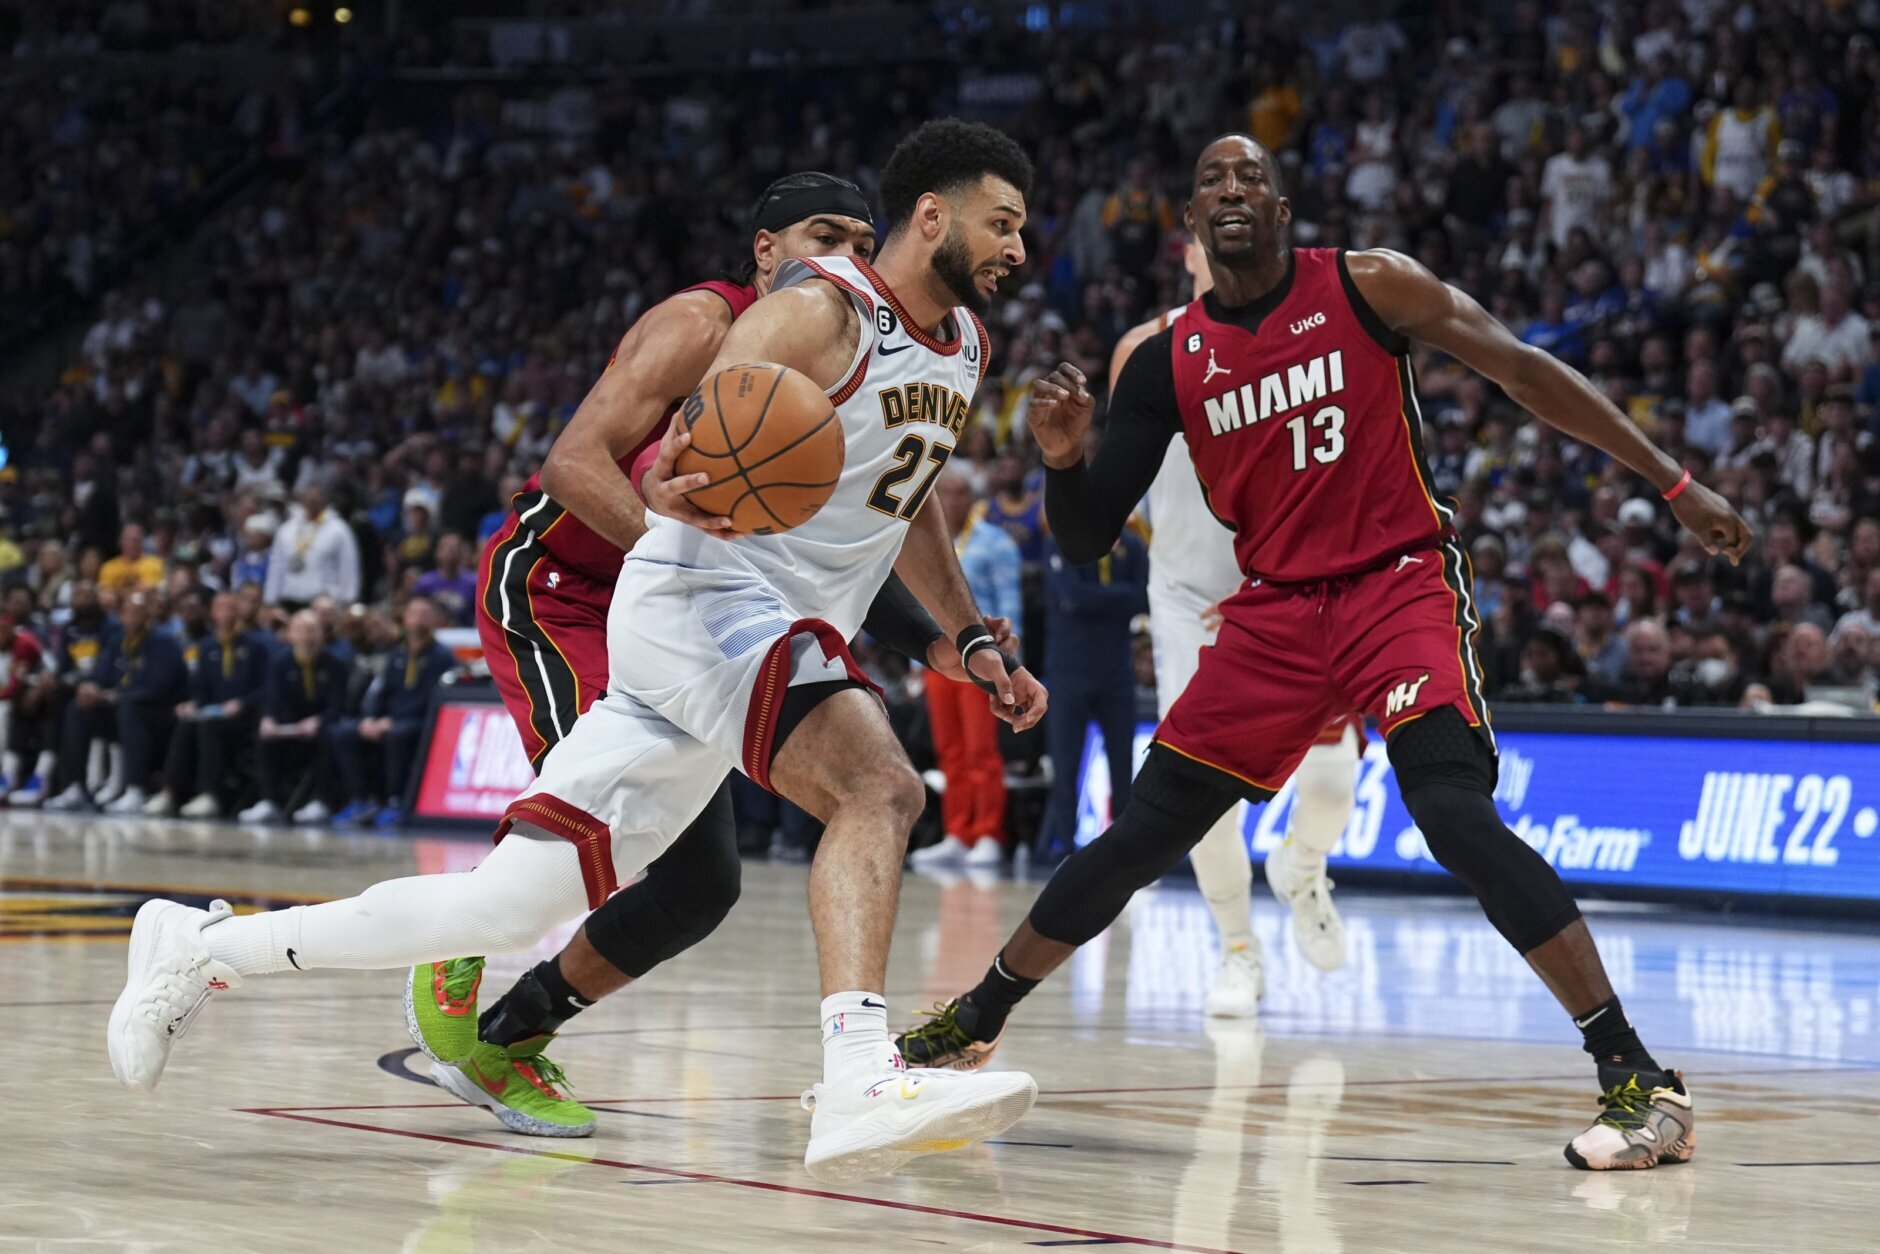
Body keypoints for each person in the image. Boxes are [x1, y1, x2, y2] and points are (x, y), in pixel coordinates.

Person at [109, 121, 1051, 1186]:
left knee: (504, 904)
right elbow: (707, 421)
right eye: (1001, 222)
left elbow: (910, 495)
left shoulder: (965, 348)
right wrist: (691, 462)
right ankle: (854, 1076)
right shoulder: (817, 308)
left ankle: (198, 949)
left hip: (733, 627)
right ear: (932, 215)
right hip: (701, 595)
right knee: (877, 784)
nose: (1019, 247)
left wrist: (966, 636)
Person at [895, 134, 1754, 1173]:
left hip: (1395, 584)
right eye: (1207, 179)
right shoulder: (1168, 361)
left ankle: (1638, 1077)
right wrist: (1063, 460)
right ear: (1192, 222)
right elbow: (1082, 536)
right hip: (1272, 617)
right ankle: (976, 1017)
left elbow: (1523, 372)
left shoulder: (1367, 286)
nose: (1228, 189)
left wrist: (1672, 483)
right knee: (1139, 836)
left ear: (1283, 205)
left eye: (1246, 175)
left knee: (1448, 812)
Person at [412, 172, 957, 1137]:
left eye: (864, 242)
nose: (849, 257)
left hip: (686, 604)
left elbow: (850, 553)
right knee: (602, 826)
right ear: (764, 250)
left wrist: (952, 641)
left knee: (704, 885)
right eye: (825, 235)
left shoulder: (849, 357)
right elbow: (573, 464)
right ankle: (455, 932)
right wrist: (681, 558)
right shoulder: (702, 325)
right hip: (564, 591)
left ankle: (511, 1034)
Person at [1108, 236, 1356, 1017]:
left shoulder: (1305, 336)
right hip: (1187, 595)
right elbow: (1125, 483)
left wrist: (1274, 573)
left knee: (1331, 780)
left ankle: (1304, 866)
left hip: (1285, 582)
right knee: (1199, 789)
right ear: (1185, 246)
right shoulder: (1145, 347)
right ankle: (1238, 951)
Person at [911, 471, 1023, 869]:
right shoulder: (925, 543)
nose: (953, 501)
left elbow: (1012, 607)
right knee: (950, 750)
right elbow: (918, 606)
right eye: (946, 493)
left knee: (981, 751)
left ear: (973, 497)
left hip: (982, 661)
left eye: (961, 493)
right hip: (939, 661)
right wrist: (916, 661)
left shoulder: (996, 543)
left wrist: (1009, 663)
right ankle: (957, 832)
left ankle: (988, 833)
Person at [1036, 514, 1148, 860]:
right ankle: (1066, 846)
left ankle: (1123, 849)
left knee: (1122, 765)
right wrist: (1116, 599)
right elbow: (1071, 596)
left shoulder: (1133, 546)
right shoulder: (1060, 544)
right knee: (1066, 763)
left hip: (1116, 672)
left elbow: (1142, 598)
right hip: (1068, 671)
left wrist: (1094, 599)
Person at [325, 595, 455, 827]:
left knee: (398, 735)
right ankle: (361, 799)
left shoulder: (442, 657)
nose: (418, 619)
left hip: (420, 722)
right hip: (389, 720)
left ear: (435, 620)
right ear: (404, 619)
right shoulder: (398, 655)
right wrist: (370, 719)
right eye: (413, 613)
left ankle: (396, 801)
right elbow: (381, 691)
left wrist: (391, 721)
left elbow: (432, 699)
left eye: (424, 614)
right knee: (342, 732)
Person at [145, 592, 273, 819]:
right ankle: (170, 792)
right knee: (187, 722)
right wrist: (193, 704)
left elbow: (266, 688)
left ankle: (209, 794)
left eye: (231, 607)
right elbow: (200, 688)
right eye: (221, 607)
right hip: (214, 713)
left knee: (208, 726)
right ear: (212, 613)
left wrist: (242, 703)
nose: (226, 612)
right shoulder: (206, 646)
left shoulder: (256, 646)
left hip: (245, 718)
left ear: (239, 611)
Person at [241, 609, 350, 824]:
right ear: (290, 634)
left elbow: (339, 706)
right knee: (263, 736)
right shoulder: (279, 663)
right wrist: (269, 719)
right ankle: (269, 800)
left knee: (330, 735)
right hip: (288, 728)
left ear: (321, 634)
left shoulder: (335, 665)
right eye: (300, 630)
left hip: (318, 727)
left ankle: (321, 801)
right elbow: (272, 698)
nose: (306, 636)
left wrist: (318, 720)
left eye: (311, 630)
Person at [93, 591, 191, 816]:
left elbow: (158, 688)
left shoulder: (163, 641)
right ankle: (80, 785)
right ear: (121, 615)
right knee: (79, 710)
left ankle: (134, 788)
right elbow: (101, 675)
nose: (132, 617)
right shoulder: (118, 639)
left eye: (138, 612)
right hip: (124, 705)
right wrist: (92, 688)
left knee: (130, 711)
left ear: (148, 615)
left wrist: (117, 696)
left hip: (162, 711)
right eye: (127, 612)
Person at [264, 484, 360, 611]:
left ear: (324, 501)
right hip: (288, 598)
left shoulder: (338, 530)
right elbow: (277, 565)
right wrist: (270, 599)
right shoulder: (286, 530)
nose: (312, 502)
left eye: (315, 499)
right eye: (308, 499)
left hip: (321, 601)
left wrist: (348, 599)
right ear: (301, 501)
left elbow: (347, 565)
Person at [0, 611, 48, 801]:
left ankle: (6, 774)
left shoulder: (24, 644)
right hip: (11, 696)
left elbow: (14, 686)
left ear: (12, 629)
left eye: (4, 630)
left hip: (36, 694)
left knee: (3, 711)